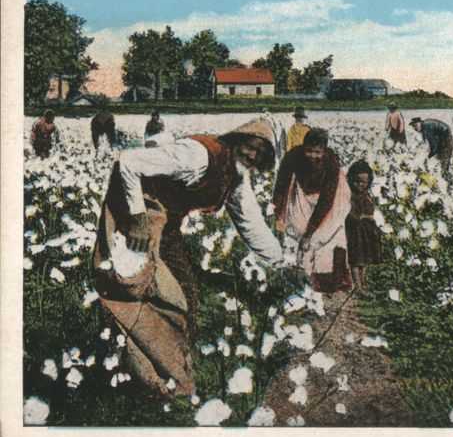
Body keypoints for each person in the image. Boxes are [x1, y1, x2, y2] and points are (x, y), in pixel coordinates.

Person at [92, 119, 283, 397]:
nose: (253, 155)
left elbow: (251, 224)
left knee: (183, 294)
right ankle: (128, 372)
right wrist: (138, 218)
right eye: (250, 147)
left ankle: (169, 372)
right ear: (237, 139)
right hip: (131, 214)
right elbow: (129, 162)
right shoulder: (197, 155)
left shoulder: (235, 177)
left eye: (260, 154)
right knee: (129, 287)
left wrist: (281, 263)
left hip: (164, 226)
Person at [272, 128, 351, 293]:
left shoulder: (331, 161)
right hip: (303, 192)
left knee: (329, 233)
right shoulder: (293, 156)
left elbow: (327, 200)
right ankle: (303, 277)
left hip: (333, 197)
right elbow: (281, 185)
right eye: (308, 150)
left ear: (324, 150)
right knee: (297, 229)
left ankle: (329, 280)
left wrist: (310, 232)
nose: (312, 156)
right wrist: (278, 214)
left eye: (317, 152)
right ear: (303, 146)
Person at [345, 160, 382, 295]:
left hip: (366, 232)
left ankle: (361, 285)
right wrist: (367, 217)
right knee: (356, 260)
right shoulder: (351, 196)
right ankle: (358, 286)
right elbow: (351, 214)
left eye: (364, 182)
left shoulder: (366, 195)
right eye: (357, 181)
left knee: (363, 260)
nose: (360, 185)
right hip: (355, 231)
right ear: (351, 179)